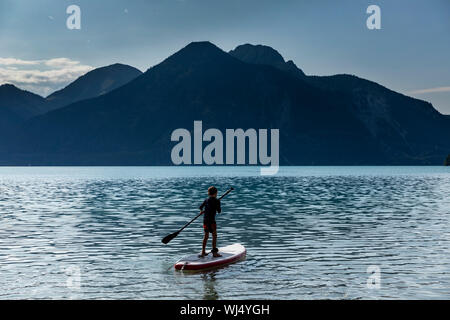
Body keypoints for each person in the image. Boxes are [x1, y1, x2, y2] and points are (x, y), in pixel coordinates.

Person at [199, 186, 222, 258]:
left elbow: (200, 207)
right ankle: (214, 253)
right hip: (212, 221)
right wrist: (218, 204)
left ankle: (203, 252)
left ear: (208, 193)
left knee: (206, 236)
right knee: (214, 236)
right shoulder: (217, 201)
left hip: (205, 220)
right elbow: (219, 211)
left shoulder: (206, 200)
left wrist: (202, 211)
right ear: (216, 193)